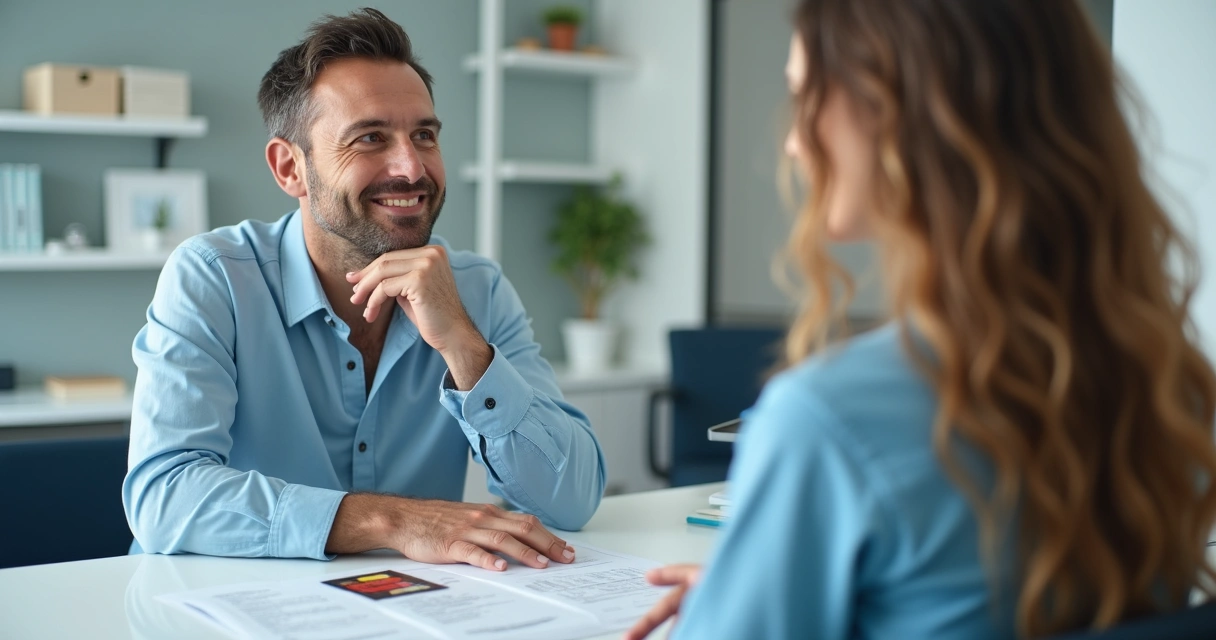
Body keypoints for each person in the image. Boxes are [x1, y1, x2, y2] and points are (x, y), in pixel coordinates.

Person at [626, 0, 1216, 638]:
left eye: (805, 97)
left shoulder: (828, 420)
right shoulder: (1165, 388)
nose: (793, 143)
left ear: (899, 114)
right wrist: (758, 589)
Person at [122, 8, 605, 571]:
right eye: (370, 138)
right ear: (289, 168)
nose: (411, 168)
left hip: (416, 604)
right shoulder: (214, 277)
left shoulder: (478, 289)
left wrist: (466, 348)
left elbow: (572, 500)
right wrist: (393, 521)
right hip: (220, 600)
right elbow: (164, 496)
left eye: (424, 135)